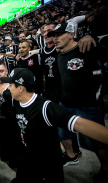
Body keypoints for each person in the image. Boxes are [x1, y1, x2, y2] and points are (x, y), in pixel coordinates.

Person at [0, 67, 108, 183]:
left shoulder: (45, 107)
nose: (8, 88)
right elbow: (1, 92)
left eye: (10, 84)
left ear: (21, 88)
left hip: (47, 163)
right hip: (27, 158)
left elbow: (79, 124)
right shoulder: (16, 100)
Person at [49, 22, 108, 178]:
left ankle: (106, 167)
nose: (55, 39)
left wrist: (90, 36)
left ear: (71, 34)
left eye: (59, 35)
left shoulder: (87, 46)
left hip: (88, 106)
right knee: (62, 133)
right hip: (65, 103)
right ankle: (70, 155)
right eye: (54, 36)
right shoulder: (59, 55)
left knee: (95, 142)